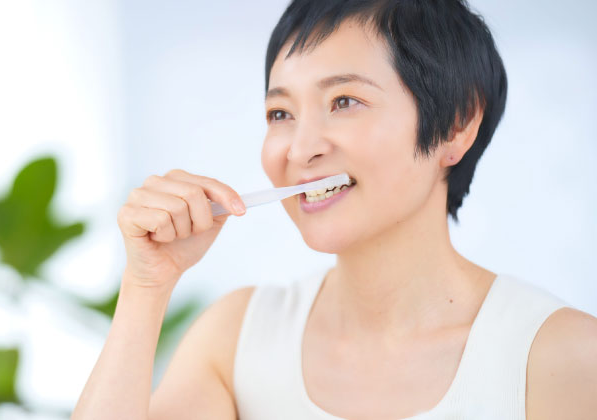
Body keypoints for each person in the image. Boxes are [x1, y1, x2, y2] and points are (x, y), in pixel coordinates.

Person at [72, 0, 597, 419]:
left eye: (344, 101)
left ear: (457, 124)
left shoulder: (562, 356)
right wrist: (146, 287)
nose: (300, 150)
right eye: (281, 113)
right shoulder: (236, 340)